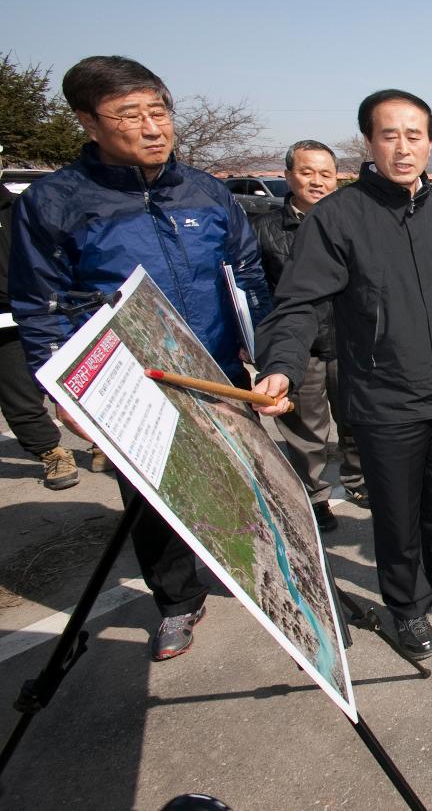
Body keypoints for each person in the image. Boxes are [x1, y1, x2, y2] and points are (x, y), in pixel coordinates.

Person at [8, 55, 273, 660]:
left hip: (220, 379)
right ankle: (178, 601)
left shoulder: (207, 192)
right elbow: (40, 305)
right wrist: (62, 391)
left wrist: (267, 354)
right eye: (130, 115)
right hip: (129, 384)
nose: (154, 127)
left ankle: (260, 578)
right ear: (88, 122)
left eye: (159, 111)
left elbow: (250, 275)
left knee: (244, 483)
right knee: (153, 502)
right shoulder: (55, 203)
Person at [253, 89, 432, 661]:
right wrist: (281, 365)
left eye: (415, 135)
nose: (403, 148)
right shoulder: (338, 217)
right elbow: (299, 304)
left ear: (430, 141)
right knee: (396, 513)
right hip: (385, 400)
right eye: (390, 135)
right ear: (367, 142)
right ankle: (406, 606)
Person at [252, 140, 367, 533]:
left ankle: (357, 482)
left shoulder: (352, 223)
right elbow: (258, 290)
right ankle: (314, 496)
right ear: (288, 177)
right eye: (306, 172)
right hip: (303, 348)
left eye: (325, 173)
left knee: (356, 421)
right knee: (306, 430)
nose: (317, 181)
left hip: (351, 342)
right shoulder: (267, 230)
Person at [1, 180, 79, 490]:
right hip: (4, 324)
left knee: (79, 383)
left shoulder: (23, 206)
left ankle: (105, 446)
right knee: (19, 395)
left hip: (51, 308)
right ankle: (51, 452)